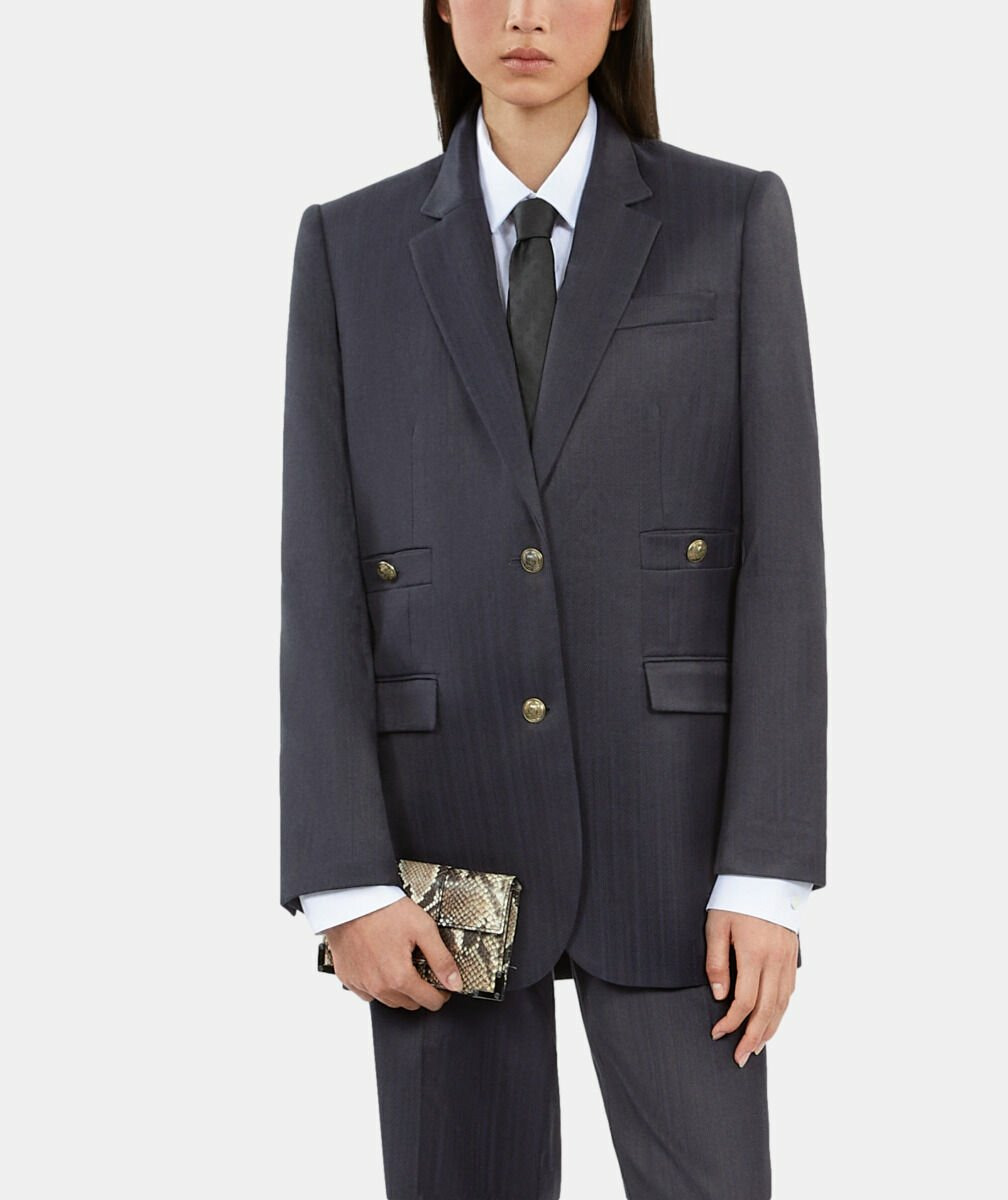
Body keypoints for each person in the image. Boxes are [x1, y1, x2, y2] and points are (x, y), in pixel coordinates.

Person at [279, 3, 827, 1197]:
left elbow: (781, 557)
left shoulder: (729, 219)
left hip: (674, 836)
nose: (525, 12)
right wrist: (343, 877)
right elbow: (317, 573)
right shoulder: (349, 245)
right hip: (439, 847)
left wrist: (765, 872)